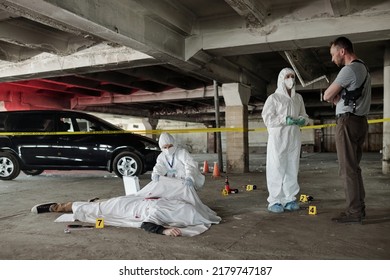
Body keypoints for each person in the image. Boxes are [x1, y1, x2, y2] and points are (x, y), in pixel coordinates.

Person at [31, 176, 221, 237]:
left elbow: (149, 223)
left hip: (132, 204)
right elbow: (147, 225)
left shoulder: (173, 206)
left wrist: (165, 229)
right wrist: (164, 231)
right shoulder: (162, 211)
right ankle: (54, 206)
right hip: (127, 207)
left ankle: (94, 201)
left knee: (103, 204)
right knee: (92, 210)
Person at [323, 36, 371, 224]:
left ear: (342, 51)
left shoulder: (348, 70)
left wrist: (331, 97)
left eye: (333, 54)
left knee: (347, 169)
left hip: (348, 123)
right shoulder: (363, 68)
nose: (332, 58)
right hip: (360, 121)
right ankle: (359, 207)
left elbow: (328, 94)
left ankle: (354, 212)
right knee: (354, 168)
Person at [261, 67, 309, 213]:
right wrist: (284, 119)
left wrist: (302, 120)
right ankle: (275, 200)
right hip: (278, 138)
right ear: (281, 79)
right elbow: (267, 118)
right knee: (276, 168)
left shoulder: (298, 98)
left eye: (293, 76)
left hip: (294, 137)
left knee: (292, 168)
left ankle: (290, 198)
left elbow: (304, 115)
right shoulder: (274, 98)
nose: (291, 79)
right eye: (287, 76)